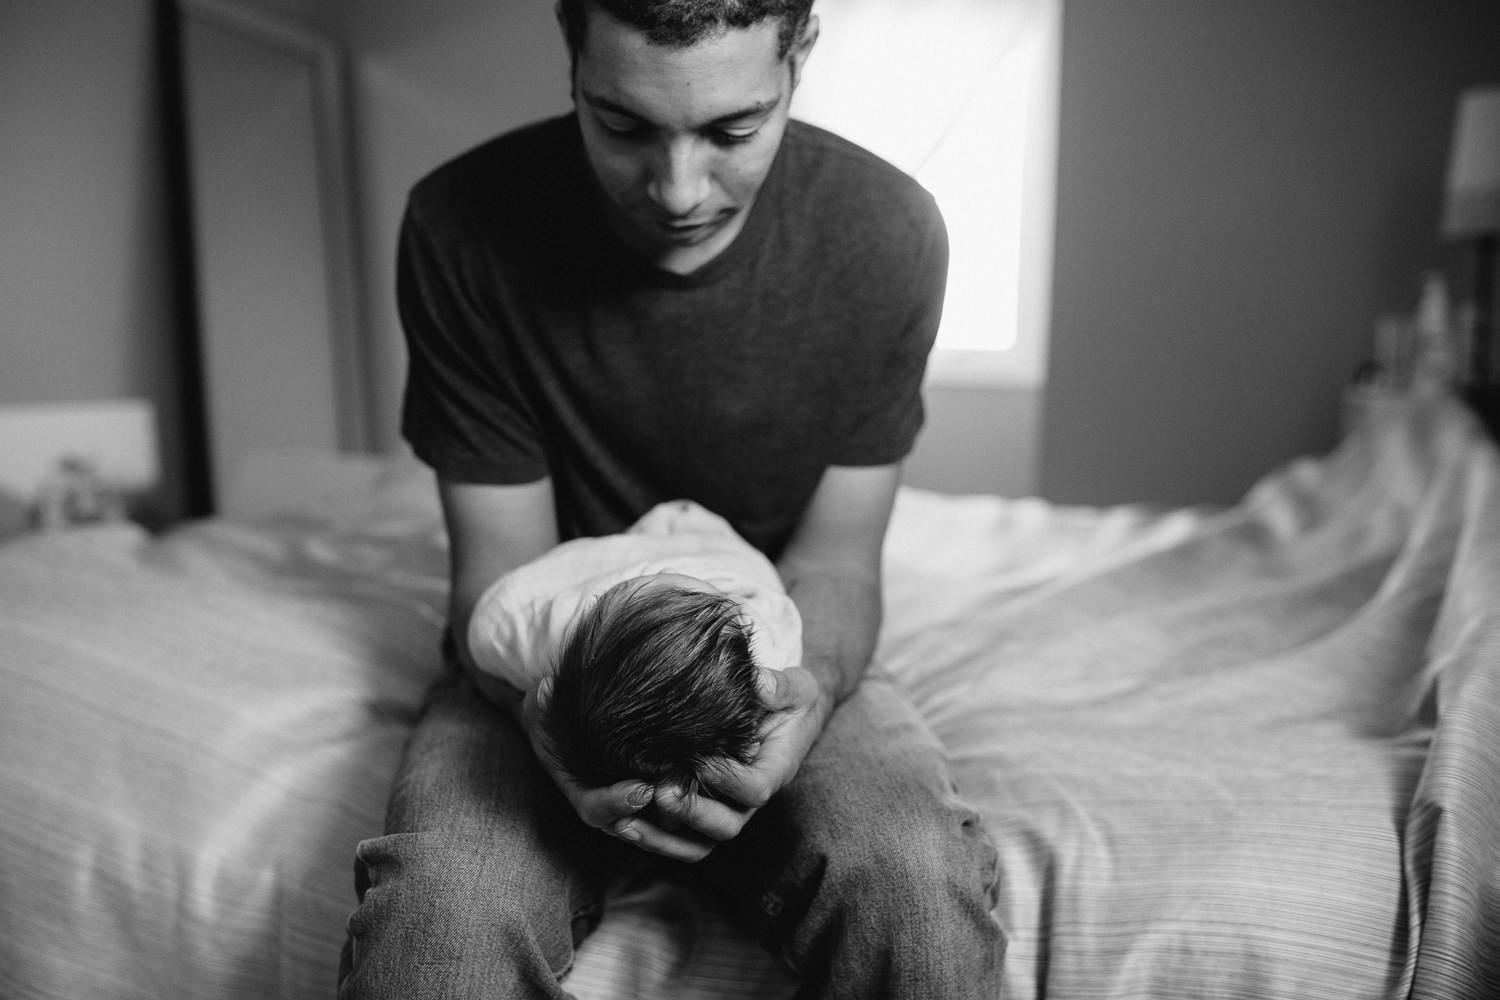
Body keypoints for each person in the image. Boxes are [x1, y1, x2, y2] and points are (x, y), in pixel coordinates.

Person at [338, 0, 1005, 997]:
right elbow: (497, 583)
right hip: (551, 662)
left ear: (799, 57)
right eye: (623, 126)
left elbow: (833, 565)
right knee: (442, 928)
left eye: (734, 130)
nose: (679, 189)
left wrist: (802, 696)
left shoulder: (887, 235)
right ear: (571, 61)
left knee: (911, 893)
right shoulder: (462, 226)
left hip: (768, 637)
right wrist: (555, 725)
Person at [468, 498, 802, 793]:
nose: (668, 567)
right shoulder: (763, 641)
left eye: (632, 587)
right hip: (720, 553)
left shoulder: (555, 632)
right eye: (702, 596)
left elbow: (493, 622)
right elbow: (781, 616)